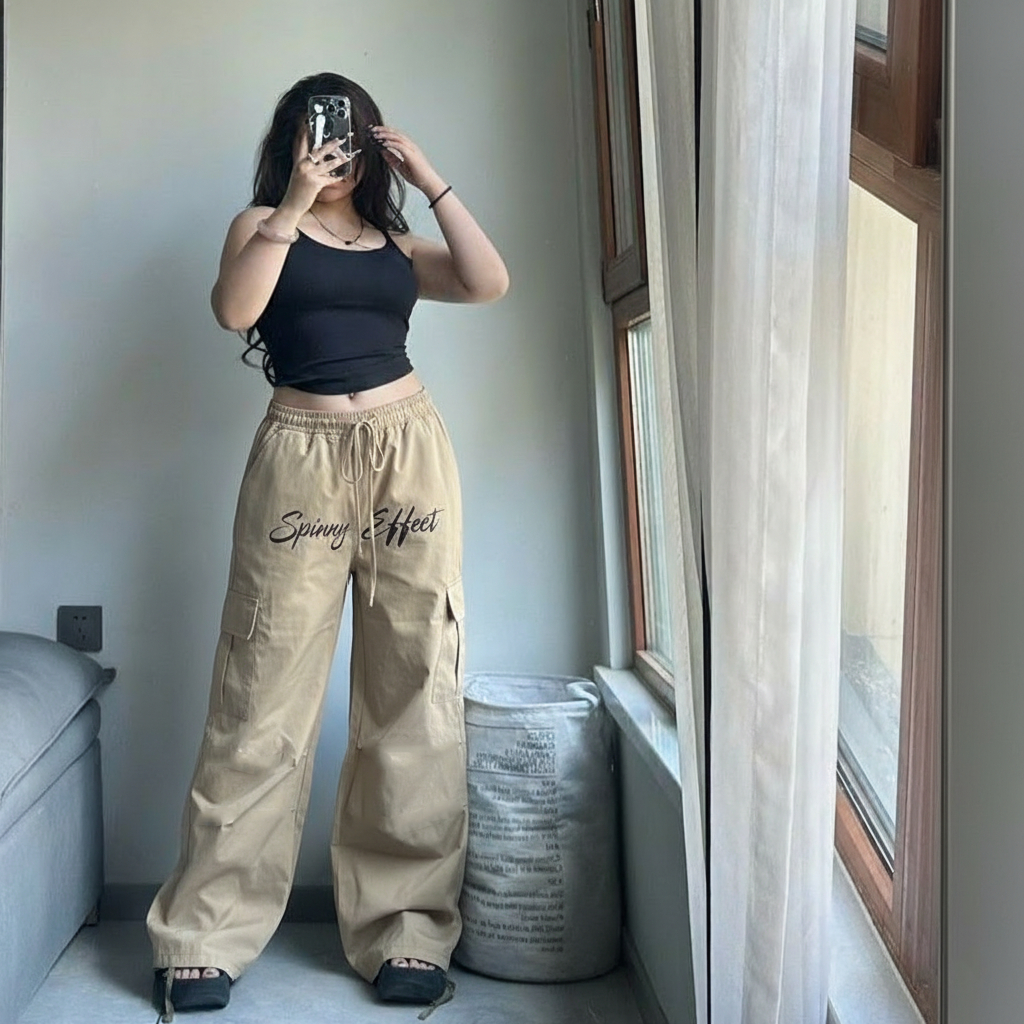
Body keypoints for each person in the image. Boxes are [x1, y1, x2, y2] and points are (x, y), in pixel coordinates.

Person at [146, 71, 509, 1021]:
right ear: (293, 140)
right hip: (300, 460)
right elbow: (235, 311)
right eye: (318, 130)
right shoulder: (260, 224)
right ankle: (205, 934)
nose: (334, 145)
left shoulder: (397, 246)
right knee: (261, 690)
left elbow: (488, 281)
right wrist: (295, 202)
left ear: (372, 137)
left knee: (414, 685)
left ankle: (406, 927)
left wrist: (430, 178)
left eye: (349, 129)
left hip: (408, 453)